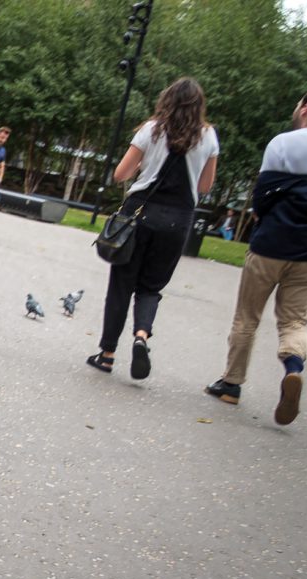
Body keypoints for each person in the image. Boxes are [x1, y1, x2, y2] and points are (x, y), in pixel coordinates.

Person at [86, 77, 219, 379]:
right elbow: (206, 186)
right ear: (199, 106)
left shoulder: (151, 129)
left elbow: (121, 174)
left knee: (121, 285)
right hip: (178, 221)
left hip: (140, 214)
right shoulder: (209, 136)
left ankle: (107, 354)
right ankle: (141, 336)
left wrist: (145, 166)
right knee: (151, 287)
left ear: (167, 100)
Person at [205, 92, 307, 425]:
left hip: (269, 245)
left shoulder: (283, 143)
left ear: (305, 109)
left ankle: (231, 385)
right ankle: (293, 367)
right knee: (295, 321)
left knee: (247, 317)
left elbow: (262, 197)